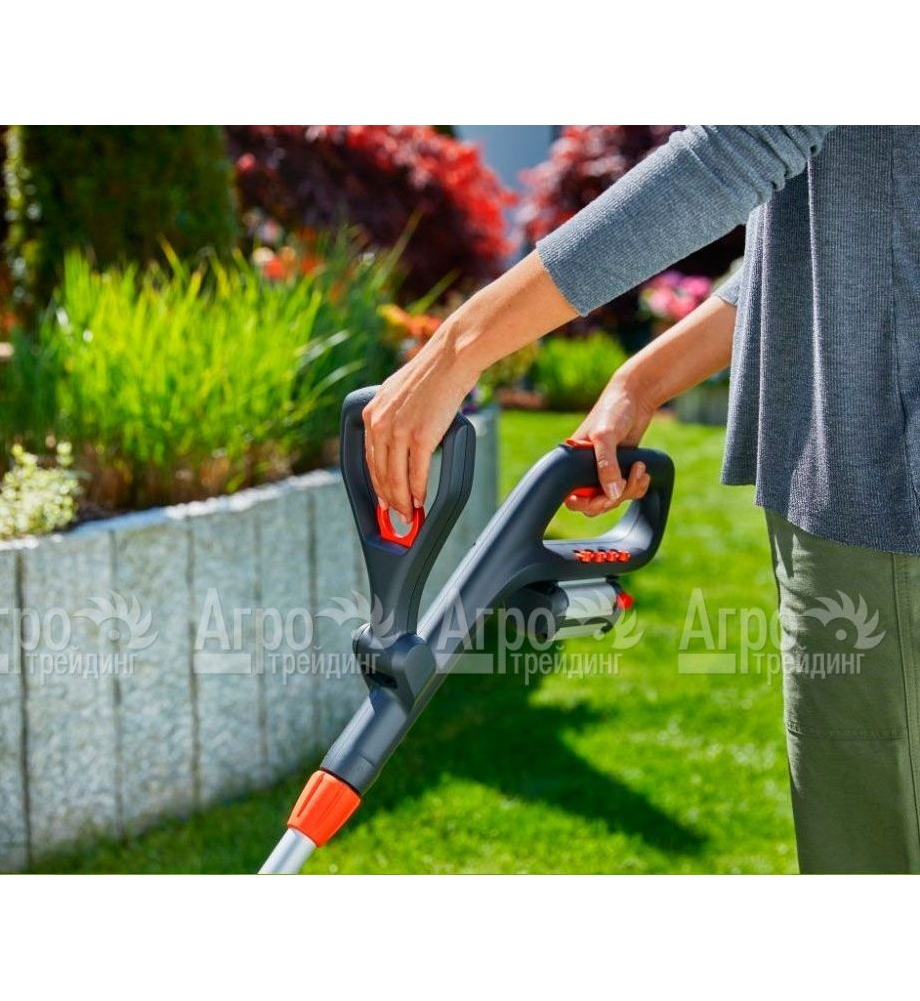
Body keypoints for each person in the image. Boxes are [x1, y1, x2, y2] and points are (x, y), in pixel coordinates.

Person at [362, 126, 920, 874]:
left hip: (886, 493)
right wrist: (642, 381)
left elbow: (736, 149)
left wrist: (458, 348)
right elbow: (824, 244)